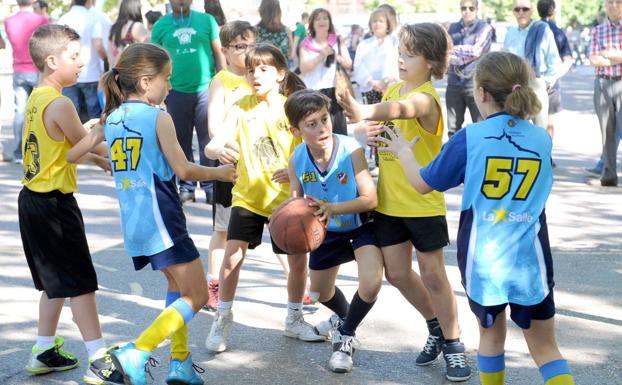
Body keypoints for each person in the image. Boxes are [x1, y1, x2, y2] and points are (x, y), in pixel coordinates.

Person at [379, 50, 575, 385]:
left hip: (485, 260)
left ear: (481, 93)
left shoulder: (470, 138)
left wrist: (403, 152)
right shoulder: (542, 138)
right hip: (531, 259)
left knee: (491, 339)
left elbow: (423, 184)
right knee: (545, 347)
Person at [66, 43, 237, 385]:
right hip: (163, 217)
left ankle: (180, 363)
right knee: (199, 295)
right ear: (145, 82)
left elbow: (72, 155)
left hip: (135, 222)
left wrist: (96, 137)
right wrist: (220, 173)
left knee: (177, 287)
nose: (170, 86)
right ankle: (135, 353)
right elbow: (185, 171)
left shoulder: (112, 119)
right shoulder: (158, 117)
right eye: (167, 78)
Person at [338, 23, 472, 382]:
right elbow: (384, 119)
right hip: (389, 202)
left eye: (410, 53)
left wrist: (362, 110)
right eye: (401, 50)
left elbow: (402, 110)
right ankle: (436, 328)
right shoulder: (395, 87)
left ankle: (455, 344)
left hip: (422, 203)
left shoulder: (426, 98)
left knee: (432, 274)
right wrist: (369, 132)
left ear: (430, 61)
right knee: (396, 273)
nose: (401, 57)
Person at [19, 24, 123, 385]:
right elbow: (81, 143)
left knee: (55, 282)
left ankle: (43, 349)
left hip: (32, 201)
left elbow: (64, 148)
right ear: (52, 60)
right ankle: (99, 358)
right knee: (80, 283)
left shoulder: (37, 97)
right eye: (75, 57)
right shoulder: (61, 103)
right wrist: (100, 133)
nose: (83, 63)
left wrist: (97, 157)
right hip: (54, 206)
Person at [204, 43, 324, 353]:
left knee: (298, 263)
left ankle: (294, 318)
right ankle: (223, 318)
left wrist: (293, 167)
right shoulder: (241, 106)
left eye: (263, 69)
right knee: (232, 258)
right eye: (250, 70)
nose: (255, 75)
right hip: (248, 197)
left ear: (280, 74)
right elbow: (212, 145)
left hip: (287, 200)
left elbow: (313, 147)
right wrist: (217, 150)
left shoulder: (291, 107)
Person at [284, 89, 383, 373]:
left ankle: (345, 336)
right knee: (319, 291)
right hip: (325, 231)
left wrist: (332, 208)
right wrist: (288, 221)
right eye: (311, 124)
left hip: (358, 225)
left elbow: (371, 199)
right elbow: (296, 203)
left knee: (372, 282)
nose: (322, 128)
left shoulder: (350, 149)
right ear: (296, 131)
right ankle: (344, 317)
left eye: (324, 119)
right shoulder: (297, 159)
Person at [151, 0, 226, 204]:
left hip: (205, 89)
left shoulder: (206, 21)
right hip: (175, 90)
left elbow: (218, 52)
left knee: (208, 139)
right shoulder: (161, 26)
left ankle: (211, 186)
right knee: (180, 139)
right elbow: (154, 60)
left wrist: (223, 80)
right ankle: (187, 186)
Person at [204, 20, 257, 311]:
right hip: (232, 165)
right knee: (223, 229)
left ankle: (298, 287)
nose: (247, 51)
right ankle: (213, 282)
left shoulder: (261, 77)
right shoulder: (220, 81)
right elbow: (213, 127)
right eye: (240, 46)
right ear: (224, 50)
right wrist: (223, 148)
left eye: (251, 44)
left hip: (263, 166)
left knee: (281, 225)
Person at [503, 0, 561, 129]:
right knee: (516, 132)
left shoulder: (542, 30)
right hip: (514, 86)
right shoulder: (510, 33)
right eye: (517, 9)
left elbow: (554, 62)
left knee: (539, 132)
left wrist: (544, 83)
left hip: (536, 85)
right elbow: (505, 61)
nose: (521, 12)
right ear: (513, 12)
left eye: (525, 9)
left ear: (532, 11)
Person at [4, 0, 48, 163]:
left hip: (18, 69)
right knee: (40, 110)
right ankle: (39, 150)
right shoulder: (41, 20)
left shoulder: (9, 21)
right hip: (37, 69)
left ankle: (18, 153)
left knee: (20, 111)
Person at [299, 8, 352, 135]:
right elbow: (303, 68)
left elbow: (349, 64)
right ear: (312, 23)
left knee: (338, 133)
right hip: (312, 92)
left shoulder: (337, 41)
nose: (322, 21)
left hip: (334, 92)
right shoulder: (306, 44)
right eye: (318, 18)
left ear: (330, 21)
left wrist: (337, 56)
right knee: (316, 134)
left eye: (325, 18)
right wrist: (321, 55)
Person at [586, 0, 622, 187]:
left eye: (618, 2)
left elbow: (601, 56)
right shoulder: (598, 30)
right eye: (610, 2)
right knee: (607, 131)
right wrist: (617, 57)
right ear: (605, 5)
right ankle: (609, 175)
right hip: (603, 83)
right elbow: (593, 58)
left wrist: (606, 54)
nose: (614, 5)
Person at [446, 0, 493, 137]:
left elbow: (476, 51)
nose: (467, 11)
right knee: (452, 131)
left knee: (481, 128)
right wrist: (452, 53)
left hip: (476, 84)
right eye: (464, 8)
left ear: (477, 9)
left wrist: (453, 53)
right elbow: (445, 50)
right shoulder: (452, 28)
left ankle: (480, 158)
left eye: (471, 8)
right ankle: (454, 158)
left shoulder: (485, 27)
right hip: (454, 83)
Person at [57, 0, 107, 122]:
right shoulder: (94, 17)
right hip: (91, 73)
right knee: (94, 115)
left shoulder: (63, 19)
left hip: (68, 73)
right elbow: (98, 45)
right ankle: (92, 141)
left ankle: (73, 140)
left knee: (71, 114)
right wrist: (105, 60)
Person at [537, 0, 573, 147]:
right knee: (549, 122)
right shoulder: (558, 32)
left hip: (533, 80)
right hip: (552, 83)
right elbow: (568, 60)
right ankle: (547, 154)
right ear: (553, 11)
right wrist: (555, 76)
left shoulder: (533, 29)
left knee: (529, 121)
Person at [352, 7, 399, 105]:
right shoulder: (364, 44)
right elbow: (358, 66)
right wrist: (372, 82)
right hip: (371, 88)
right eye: (374, 21)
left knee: (392, 118)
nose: (377, 24)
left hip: (391, 86)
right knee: (374, 119)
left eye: (381, 21)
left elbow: (397, 63)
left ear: (387, 24)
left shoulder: (395, 42)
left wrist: (386, 81)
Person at [107, 0, 149, 66]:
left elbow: (110, 57)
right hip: (134, 72)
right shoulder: (137, 26)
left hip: (117, 72)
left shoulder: (113, 28)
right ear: (136, 8)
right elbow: (148, 51)